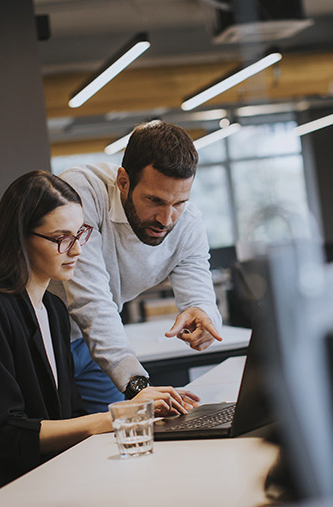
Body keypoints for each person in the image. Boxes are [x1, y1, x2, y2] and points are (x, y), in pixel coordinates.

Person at [0, 171, 198, 498]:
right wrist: (110, 418)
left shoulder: (53, 309)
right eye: (61, 237)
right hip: (16, 489)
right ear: (21, 237)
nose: (77, 250)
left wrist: (136, 417)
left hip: (56, 476)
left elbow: (69, 415)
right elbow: (5, 434)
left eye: (81, 234)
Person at [50, 120, 223, 413]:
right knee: (47, 443)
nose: (166, 219)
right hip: (40, 341)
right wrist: (137, 386)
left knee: (115, 433)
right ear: (123, 181)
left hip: (92, 345)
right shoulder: (82, 192)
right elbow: (90, 300)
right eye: (154, 200)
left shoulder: (188, 223)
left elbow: (199, 294)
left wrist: (204, 316)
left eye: (179, 202)